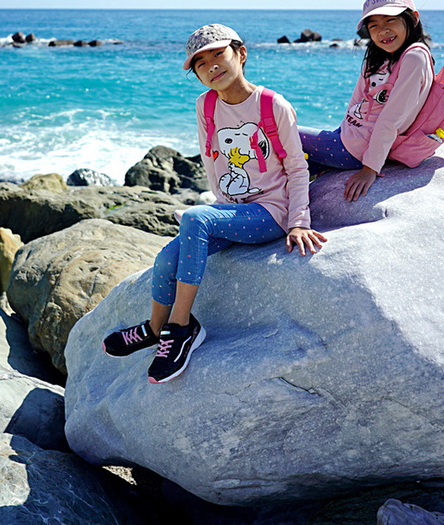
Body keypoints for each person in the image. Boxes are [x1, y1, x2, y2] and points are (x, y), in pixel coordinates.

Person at [103, 24, 327, 384]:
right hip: (229, 213)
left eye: (218, 55)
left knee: (195, 217)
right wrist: (217, 213)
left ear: (240, 53)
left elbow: (297, 168)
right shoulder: (205, 105)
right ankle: (155, 328)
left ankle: (181, 329)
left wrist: (299, 220)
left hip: (270, 213)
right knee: (165, 260)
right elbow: (213, 162)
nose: (211, 67)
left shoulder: (272, 105)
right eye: (200, 63)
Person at [299, 0, 434, 201]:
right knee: (286, 165)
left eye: (390, 20)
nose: (383, 31)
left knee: (282, 130)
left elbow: (392, 119)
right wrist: (340, 133)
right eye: (374, 25)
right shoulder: (378, 57)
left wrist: (370, 168)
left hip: (356, 150)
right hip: (345, 137)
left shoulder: (414, 57)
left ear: (413, 19)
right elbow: (356, 102)